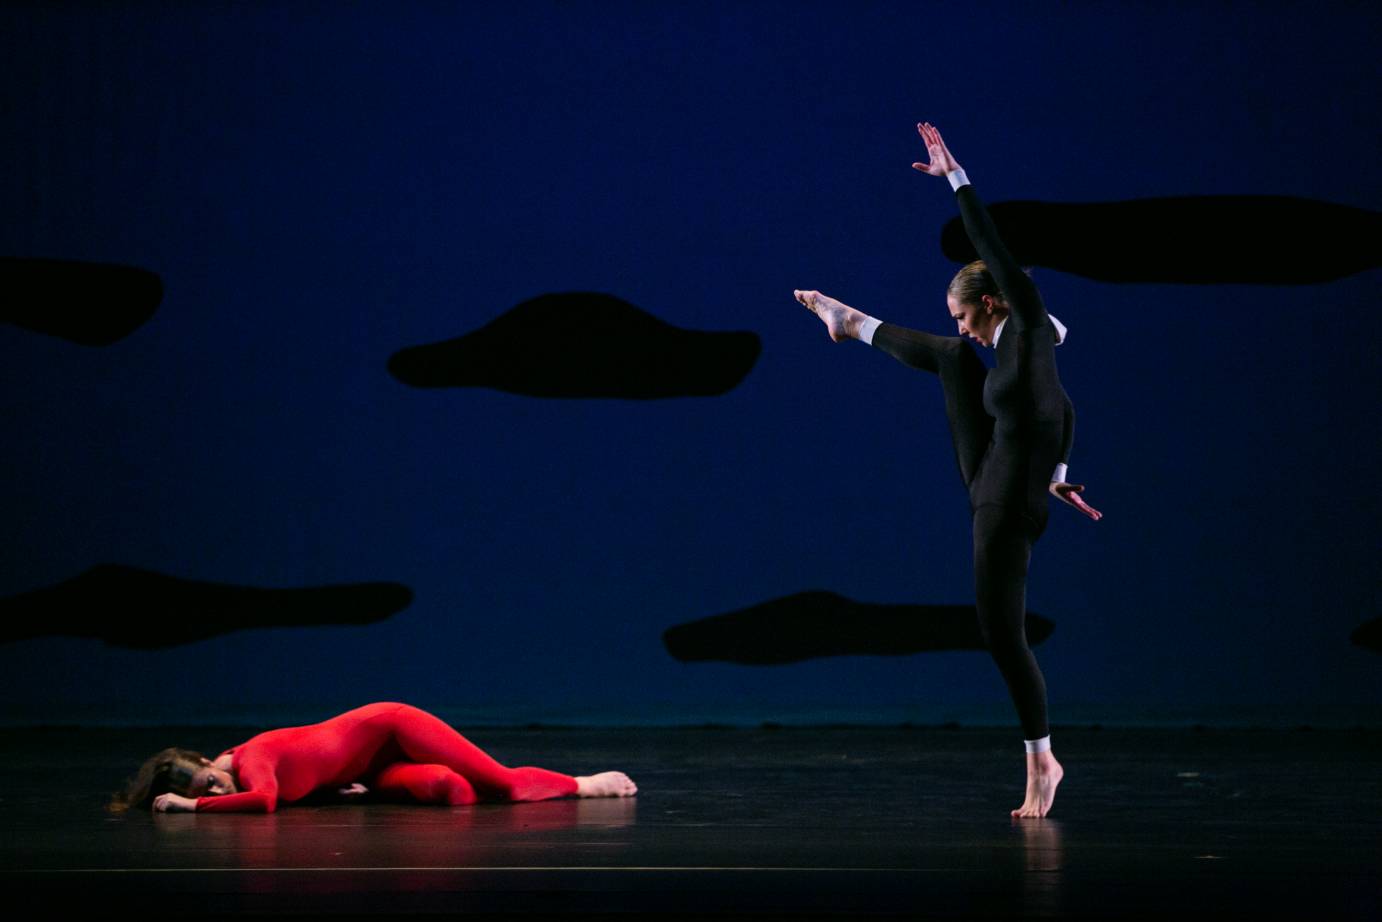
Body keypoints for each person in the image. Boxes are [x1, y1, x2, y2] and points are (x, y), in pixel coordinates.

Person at [794, 122, 1101, 818]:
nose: (961, 323)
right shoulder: (1021, 359)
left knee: (1001, 633)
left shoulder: (1022, 324)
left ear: (993, 302)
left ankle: (1042, 759)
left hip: (1006, 507)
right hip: (995, 480)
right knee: (951, 359)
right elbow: (1067, 410)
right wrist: (1059, 467)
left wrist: (957, 179)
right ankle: (849, 322)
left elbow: (992, 249)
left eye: (963, 313)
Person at [108, 701, 637, 813]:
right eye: (207, 794)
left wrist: (192, 807)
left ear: (208, 763)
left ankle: (583, 783)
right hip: (371, 769)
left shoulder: (253, 762)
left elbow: (265, 799)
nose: (219, 791)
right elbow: (308, 767)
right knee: (454, 792)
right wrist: (329, 785)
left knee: (502, 784)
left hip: (393, 727)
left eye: (209, 782)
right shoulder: (236, 761)